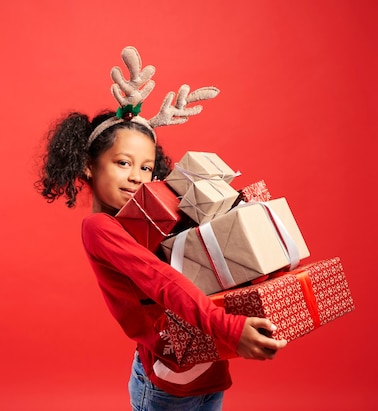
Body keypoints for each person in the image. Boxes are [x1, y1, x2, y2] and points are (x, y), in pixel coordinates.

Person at [36, 47, 287, 411]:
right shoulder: (100, 228)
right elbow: (162, 281)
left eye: (146, 168)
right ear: (89, 166)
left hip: (210, 369)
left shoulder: (153, 218)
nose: (136, 178)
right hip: (168, 383)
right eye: (123, 163)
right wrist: (230, 328)